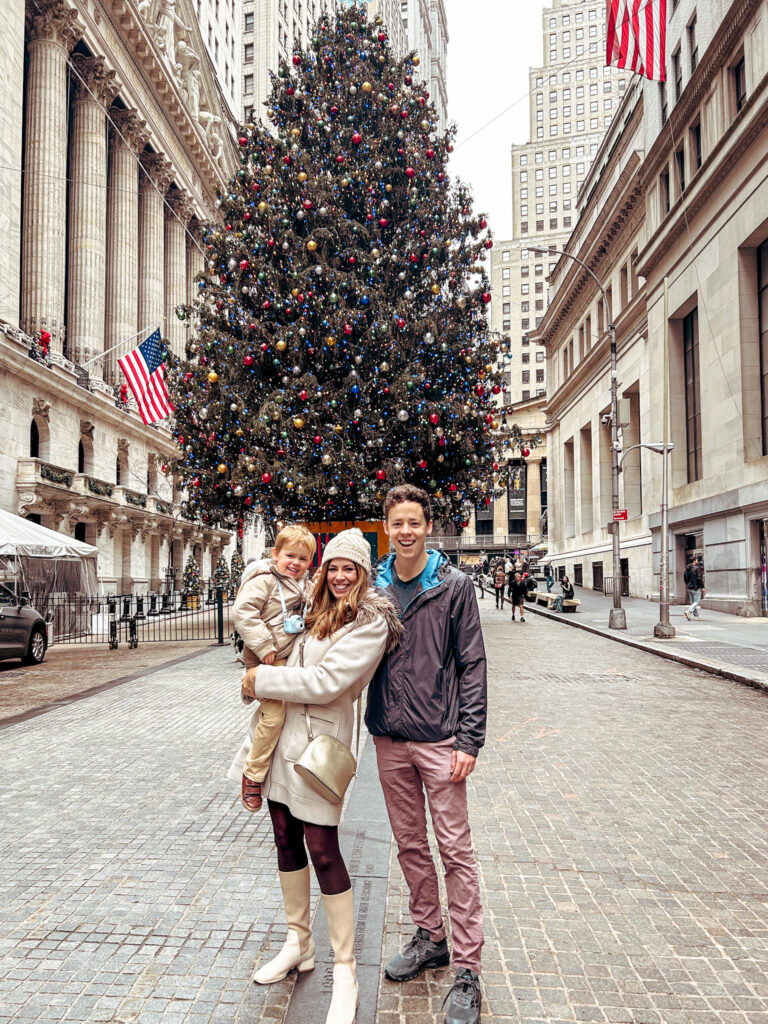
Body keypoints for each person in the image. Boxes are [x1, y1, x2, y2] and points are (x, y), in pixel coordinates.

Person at [235, 529, 402, 1024]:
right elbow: (270, 633)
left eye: (350, 568)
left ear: (363, 574)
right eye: (333, 566)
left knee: (324, 850)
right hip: (283, 736)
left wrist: (260, 680)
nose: (340, 575)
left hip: (320, 748)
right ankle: (298, 943)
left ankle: (345, 970)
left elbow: (329, 683)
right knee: (284, 837)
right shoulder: (312, 609)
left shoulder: (371, 622)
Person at [366, 485, 487, 1024]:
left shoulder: (455, 587)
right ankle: (429, 936)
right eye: (398, 523)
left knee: (455, 851)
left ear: (427, 526)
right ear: (387, 527)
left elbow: (473, 665)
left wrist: (469, 739)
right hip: (389, 737)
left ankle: (467, 969)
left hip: (440, 739)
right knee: (411, 846)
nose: (406, 531)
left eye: (415, 522)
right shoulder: (373, 587)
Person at [232, 525, 315, 813]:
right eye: (290, 556)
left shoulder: (306, 584)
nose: (296, 563)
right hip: (266, 659)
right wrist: (264, 644)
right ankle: (252, 775)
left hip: (291, 660)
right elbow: (244, 612)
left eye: (303, 559)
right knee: (274, 717)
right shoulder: (264, 579)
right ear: (275, 554)